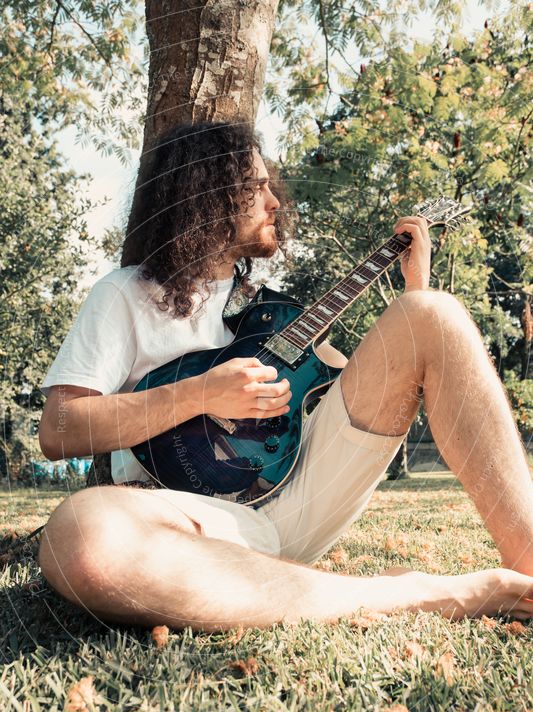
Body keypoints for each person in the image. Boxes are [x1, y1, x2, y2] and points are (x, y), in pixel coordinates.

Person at [37, 122, 533, 632]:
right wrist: (201, 394)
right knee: (83, 536)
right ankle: (410, 594)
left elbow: (375, 380)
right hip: (190, 525)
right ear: (207, 193)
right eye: (257, 187)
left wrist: (416, 291)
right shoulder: (124, 294)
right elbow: (59, 429)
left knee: (433, 314)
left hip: (301, 498)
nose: (275, 202)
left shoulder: (273, 312)